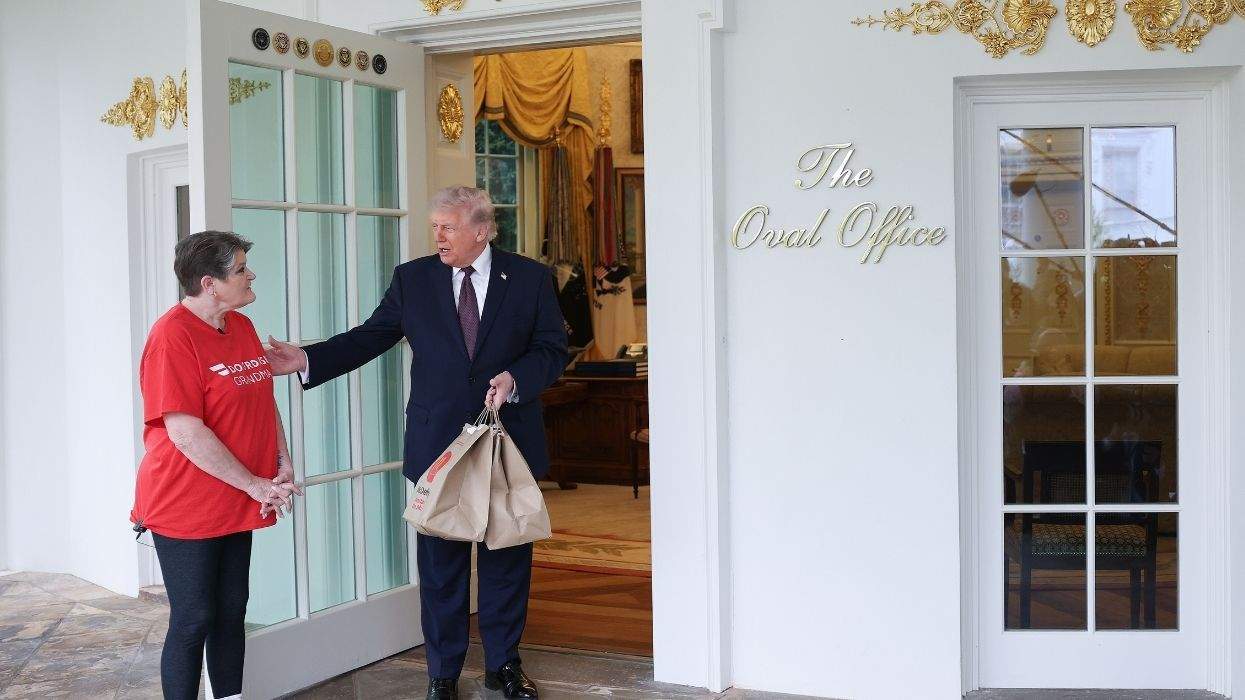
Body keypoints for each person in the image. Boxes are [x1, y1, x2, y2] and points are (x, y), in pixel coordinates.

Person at [266, 186, 567, 700]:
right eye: (435, 227)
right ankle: (443, 674)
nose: (438, 236)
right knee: (441, 570)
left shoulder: (532, 279)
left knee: (506, 563)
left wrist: (516, 379)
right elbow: (371, 335)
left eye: (448, 227)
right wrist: (308, 360)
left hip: (507, 444)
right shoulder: (415, 278)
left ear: (482, 230)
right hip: (438, 447)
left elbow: (552, 348)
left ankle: (504, 667)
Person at [131, 231, 301, 700]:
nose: (251, 276)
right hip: (185, 498)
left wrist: (280, 461)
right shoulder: (172, 337)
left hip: (238, 492)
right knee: (194, 618)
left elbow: (263, 402)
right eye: (242, 269)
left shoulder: (241, 327)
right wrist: (255, 485)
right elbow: (186, 432)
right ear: (210, 283)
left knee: (231, 611)